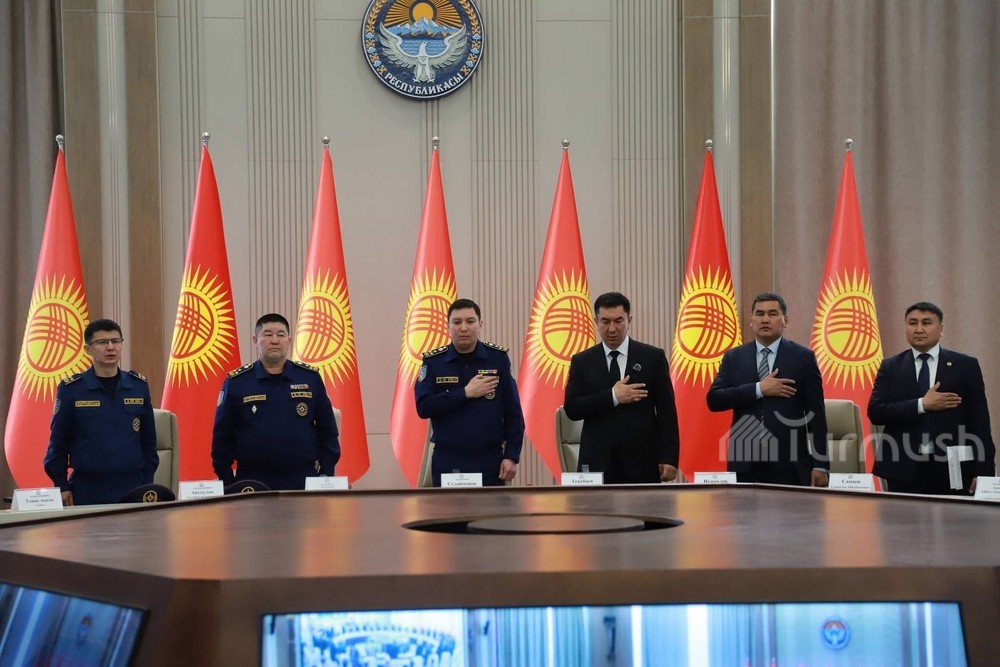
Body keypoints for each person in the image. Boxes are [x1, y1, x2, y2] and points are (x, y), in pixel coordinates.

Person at [869, 302, 995, 495]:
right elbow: (876, 412)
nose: (919, 329)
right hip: (903, 468)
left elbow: (980, 422)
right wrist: (921, 404)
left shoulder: (965, 366)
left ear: (941, 329)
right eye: (912, 323)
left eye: (926, 323)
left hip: (953, 468)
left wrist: (984, 473)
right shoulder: (890, 367)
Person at [707, 292, 828, 486]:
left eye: (772, 314)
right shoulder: (734, 357)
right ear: (751, 320)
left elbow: (816, 414)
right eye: (759, 314)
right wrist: (758, 389)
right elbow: (714, 400)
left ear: (785, 320)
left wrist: (821, 464)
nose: (765, 319)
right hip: (745, 462)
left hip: (790, 463)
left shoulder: (803, 358)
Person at [212, 313, 340, 490]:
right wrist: (227, 482)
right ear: (256, 340)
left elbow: (328, 431)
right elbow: (222, 436)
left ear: (289, 340)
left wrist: (325, 474)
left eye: (280, 335)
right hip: (251, 482)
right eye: (268, 334)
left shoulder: (310, 378)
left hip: (303, 479)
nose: (274, 341)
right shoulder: (237, 382)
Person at [563, 292, 681, 483]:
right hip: (596, 464)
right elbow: (572, 408)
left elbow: (667, 412)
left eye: (618, 321)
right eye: (605, 321)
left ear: (629, 320)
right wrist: (613, 396)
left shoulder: (652, 357)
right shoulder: (582, 361)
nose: (612, 329)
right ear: (596, 321)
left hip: (642, 463)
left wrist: (669, 457)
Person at [43, 319, 158, 505]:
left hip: (133, 485)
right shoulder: (72, 389)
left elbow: (149, 442)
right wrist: (61, 486)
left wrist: (147, 482)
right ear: (88, 349)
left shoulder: (138, 386)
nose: (111, 347)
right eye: (102, 342)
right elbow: (58, 443)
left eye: (116, 341)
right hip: (87, 488)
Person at [414, 298, 524, 486]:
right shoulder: (433, 362)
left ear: (480, 324)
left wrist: (511, 456)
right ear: (448, 326)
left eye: (470, 321)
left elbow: (513, 413)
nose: (463, 328)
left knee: (492, 507)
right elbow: (424, 407)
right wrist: (465, 393)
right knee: (449, 507)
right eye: (457, 322)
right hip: (448, 459)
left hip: (490, 460)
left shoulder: (497, 359)